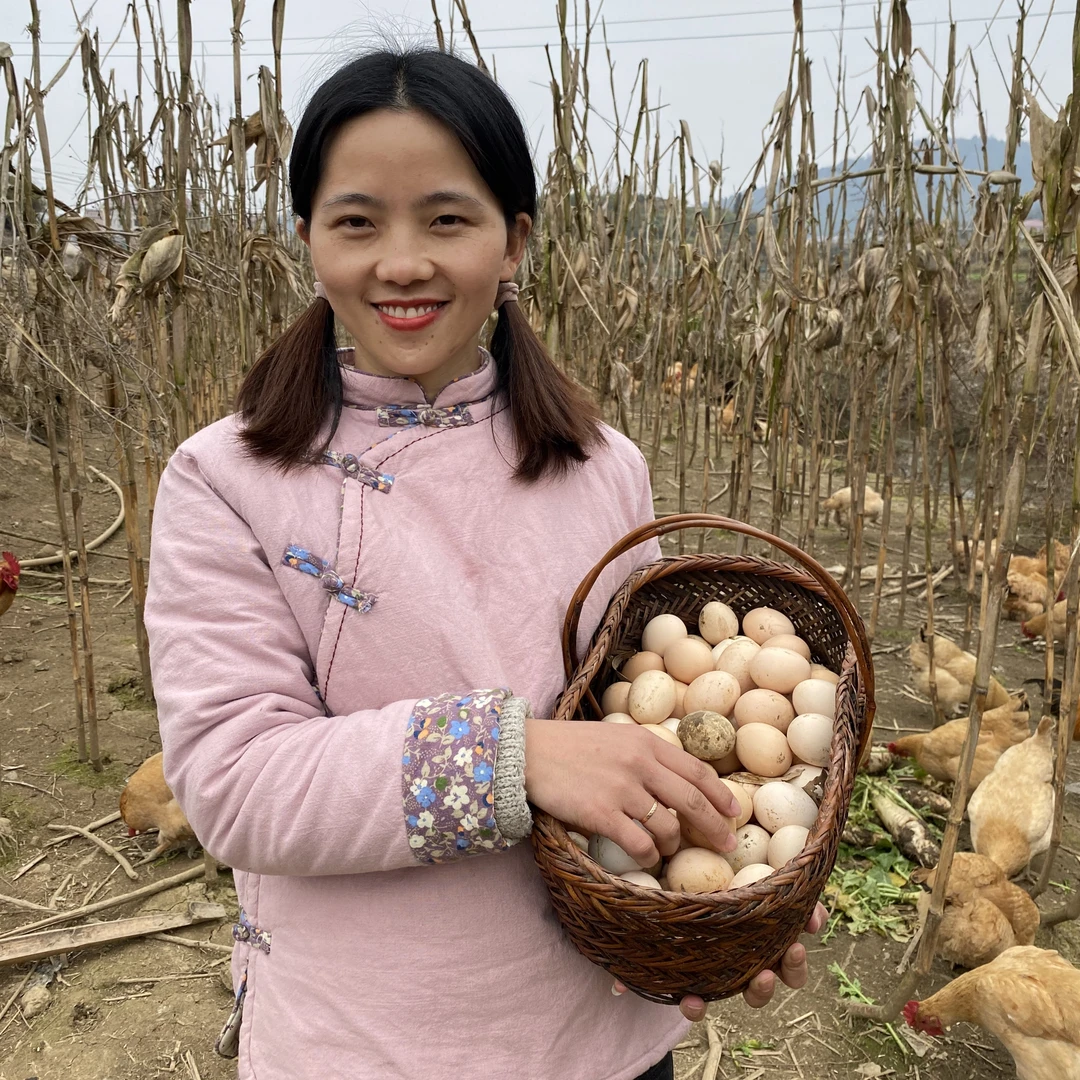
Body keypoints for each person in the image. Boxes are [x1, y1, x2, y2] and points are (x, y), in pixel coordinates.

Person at [144, 47, 826, 1080]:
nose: (402, 260)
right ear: (307, 240)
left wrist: (720, 895)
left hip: (601, 1035)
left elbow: (636, 718)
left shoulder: (605, 470)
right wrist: (515, 758)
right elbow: (235, 782)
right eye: (358, 220)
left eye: (448, 219)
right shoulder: (228, 480)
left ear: (513, 241)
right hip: (366, 1045)